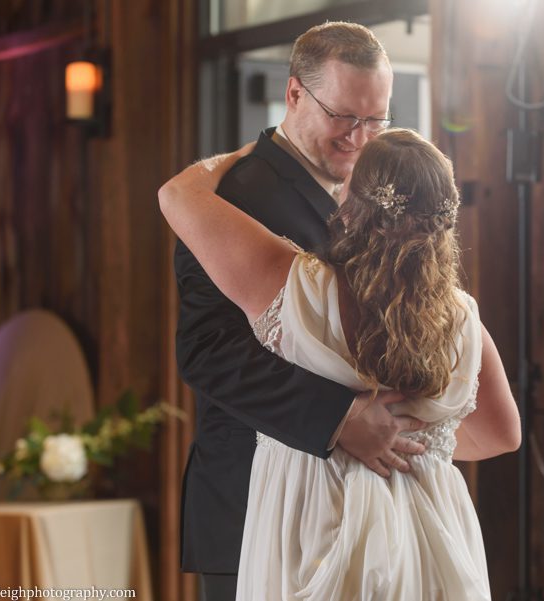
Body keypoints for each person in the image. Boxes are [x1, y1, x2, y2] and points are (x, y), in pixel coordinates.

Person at [159, 128, 522, 599]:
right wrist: (414, 440)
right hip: (431, 535)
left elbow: (178, 195)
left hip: (311, 522)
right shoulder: (463, 320)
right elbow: (502, 434)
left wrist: (249, 149)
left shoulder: (294, 287)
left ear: (351, 205)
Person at [174, 22, 426, 601]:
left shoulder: (364, 191)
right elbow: (207, 352)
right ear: (293, 95)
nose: (360, 139)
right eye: (344, 117)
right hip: (252, 501)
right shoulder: (234, 196)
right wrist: (340, 419)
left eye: (375, 120)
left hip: (343, 508)